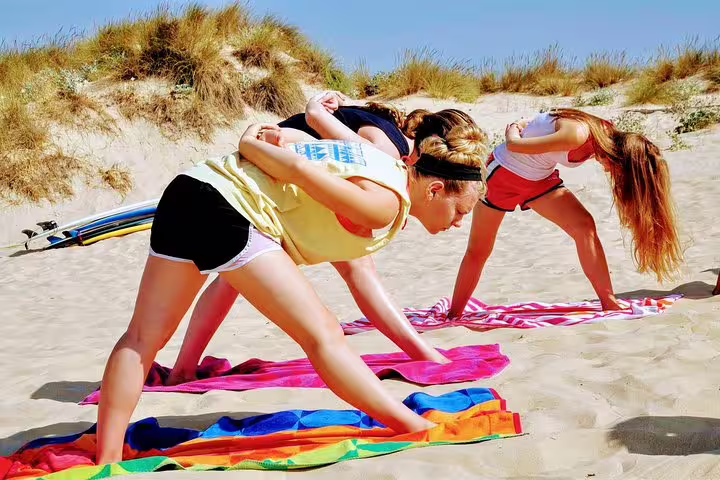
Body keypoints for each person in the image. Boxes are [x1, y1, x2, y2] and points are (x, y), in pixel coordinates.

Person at [95, 110, 488, 464]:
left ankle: (107, 458)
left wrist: (260, 139)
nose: (458, 223)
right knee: (324, 336)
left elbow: (298, 142)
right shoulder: (384, 203)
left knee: (142, 337)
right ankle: (411, 426)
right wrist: (249, 142)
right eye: (460, 212)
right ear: (435, 190)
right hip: (226, 208)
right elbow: (298, 168)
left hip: (188, 190)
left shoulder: (381, 161)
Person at [166, 94, 460, 386]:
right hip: (276, 176)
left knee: (233, 273)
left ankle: (184, 368)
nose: (459, 221)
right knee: (356, 272)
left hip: (275, 174)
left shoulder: (390, 140)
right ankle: (423, 354)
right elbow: (335, 141)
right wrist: (315, 112)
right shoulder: (390, 150)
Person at [449, 108, 683, 317]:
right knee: (480, 249)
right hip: (505, 173)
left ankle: (608, 302)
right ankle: (454, 314)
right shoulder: (579, 135)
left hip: (539, 178)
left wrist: (526, 123)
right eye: (621, 173)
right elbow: (514, 145)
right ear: (619, 160)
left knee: (584, 226)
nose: (615, 175)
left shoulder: (603, 132)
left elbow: (545, 121)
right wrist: (513, 127)